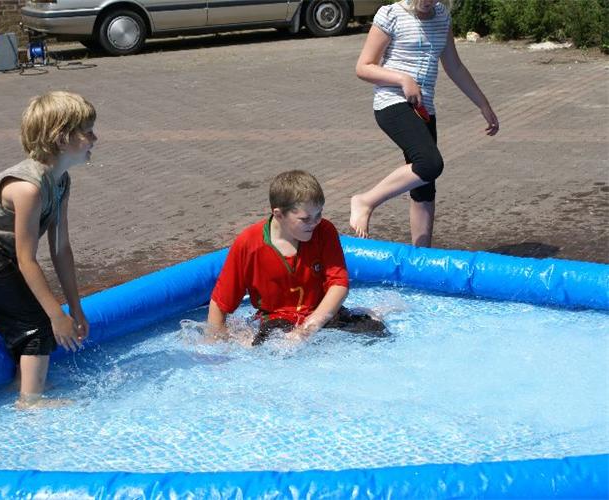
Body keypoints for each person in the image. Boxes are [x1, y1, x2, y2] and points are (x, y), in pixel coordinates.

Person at [0, 91, 97, 408]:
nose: (95, 138)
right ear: (62, 138)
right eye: (87, 131)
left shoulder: (61, 181)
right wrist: (56, 316)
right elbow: (27, 260)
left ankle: (21, 385)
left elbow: (60, 249)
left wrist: (75, 308)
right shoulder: (28, 188)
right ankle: (30, 403)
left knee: (29, 321)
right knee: (37, 326)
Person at [350, 0, 499, 247]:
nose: (429, 2)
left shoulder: (442, 17)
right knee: (430, 164)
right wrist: (403, 79)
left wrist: (483, 104)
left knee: (424, 186)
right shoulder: (391, 15)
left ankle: (421, 256)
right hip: (392, 103)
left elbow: (455, 67)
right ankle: (365, 201)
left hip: (423, 109)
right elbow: (363, 67)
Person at [207, 170, 386, 346]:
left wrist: (306, 329)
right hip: (276, 320)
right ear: (279, 214)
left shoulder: (324, 231)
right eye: (305, 219)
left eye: (318, 214)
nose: (315, 223)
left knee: (377, 333)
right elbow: (220, 303)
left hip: (319, 314)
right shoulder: (249, 244)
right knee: (275, 348)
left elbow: (339, 285)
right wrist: (215, 344)